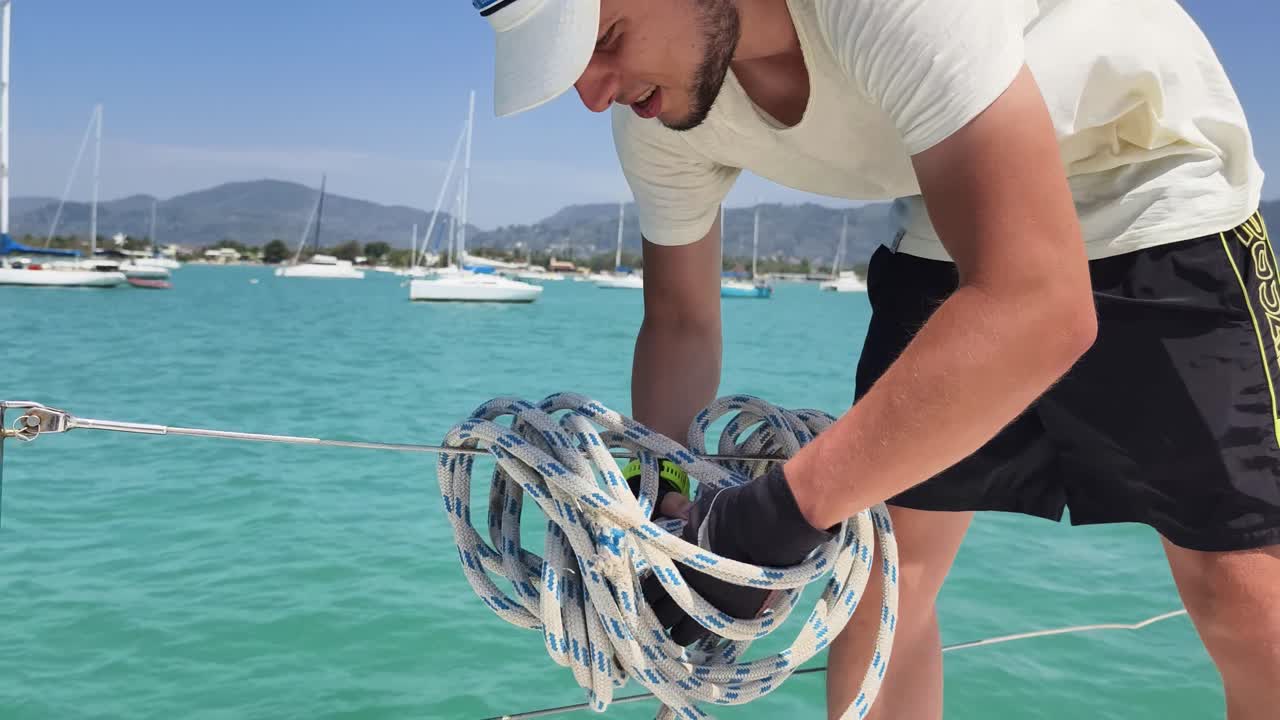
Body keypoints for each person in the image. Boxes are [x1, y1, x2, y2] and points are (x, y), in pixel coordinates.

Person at [473, 1, 1278, 717]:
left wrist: (765, 520)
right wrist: (668, 505)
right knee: (883, 580)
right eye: (576, 65)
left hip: (1151, 184)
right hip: (947, 203)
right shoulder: (655, 112)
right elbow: (681, 321)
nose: (593, 90)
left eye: (607, 37)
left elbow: (1040, 305)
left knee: (1241, 591)